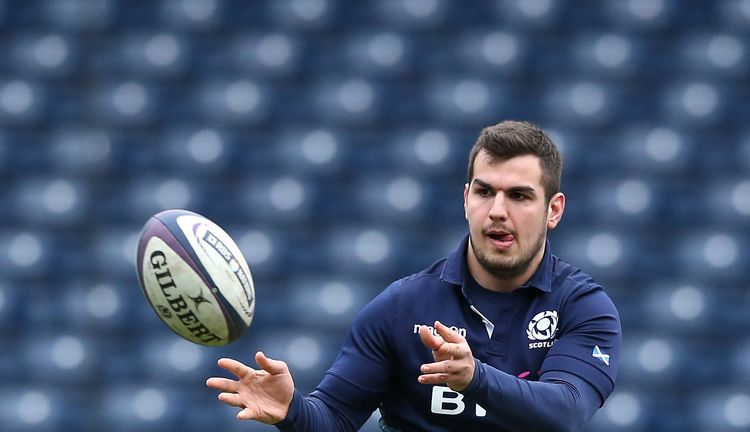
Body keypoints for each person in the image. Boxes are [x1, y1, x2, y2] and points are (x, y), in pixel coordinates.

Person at [206, 120, 622, 431]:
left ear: (554, 210)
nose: (497, 210)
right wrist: (292, 410)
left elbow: (567, 411)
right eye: (484, 191)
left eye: (518, 196)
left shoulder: (582, 307)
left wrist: (475, 378)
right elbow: (333, 416)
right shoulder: (404, 305)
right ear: (465, 200)